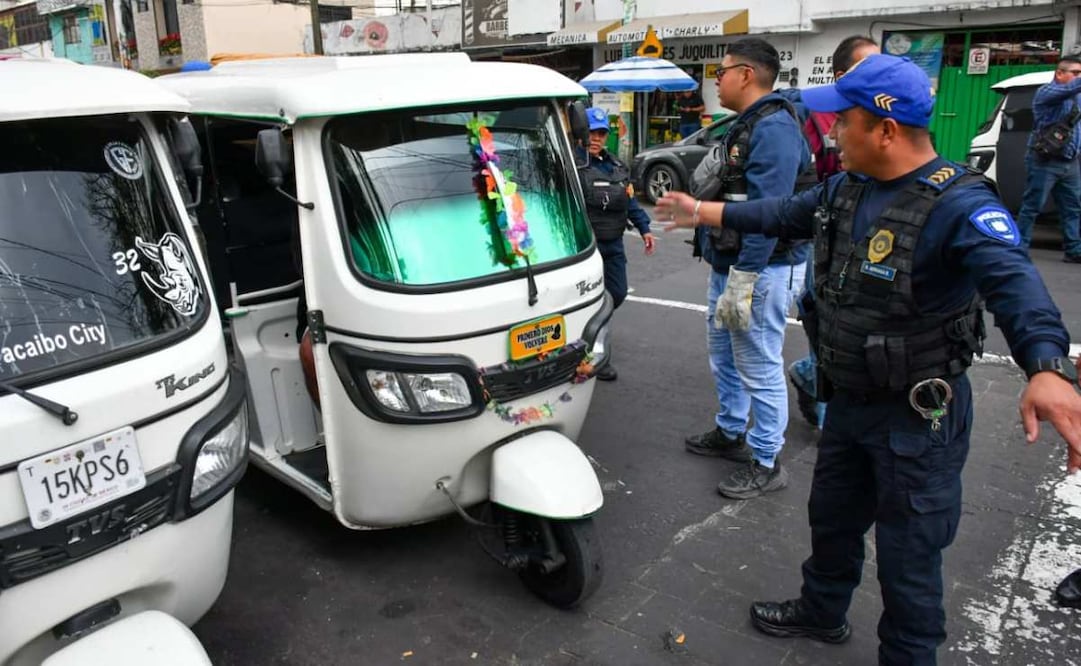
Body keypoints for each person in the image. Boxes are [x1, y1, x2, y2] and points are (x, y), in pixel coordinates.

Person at [656, 53, 1081, 665]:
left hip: (918, 421)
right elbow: (778, 212)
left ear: (884, 129)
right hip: (850, 402)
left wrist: (1045, 365)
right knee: (831, 520)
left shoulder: (959, 204)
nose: (830, 134)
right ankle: (822, 611)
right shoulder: (847, 187)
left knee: (909, 560)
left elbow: (1014, 283)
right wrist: (701, 211)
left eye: (842, 122)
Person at [681, 37, 811, 500]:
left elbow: (770, 213)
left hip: (760, 269)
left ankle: (765, 459)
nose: (717, 78)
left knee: (758, 363)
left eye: (723, 70)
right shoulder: (747, 123)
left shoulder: (773, 128)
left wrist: (745, 277)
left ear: (747, 74)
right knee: (726, 357)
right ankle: (731, 429)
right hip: (730, 265)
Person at [786, 35, 880, 430]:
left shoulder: (885, 114)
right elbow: (795, 189)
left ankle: (810, 375)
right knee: (824, 315)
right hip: (825, 231)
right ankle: (829, 414)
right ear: (841, 75)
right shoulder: (812, 114)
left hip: (873, 233)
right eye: (867, 66)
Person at [576, 106, 656, 381]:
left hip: (614, 244)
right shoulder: (572, 166)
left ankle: (590, 338)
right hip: (586, 248)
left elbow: (630, 201)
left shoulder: (617, 166)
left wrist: (645, 228)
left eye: (600, 133)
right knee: (593, 300)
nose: (595, 138)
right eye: (590, 132)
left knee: (615, 294)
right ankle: (597, 356)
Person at [1016, 55, 1081, 262]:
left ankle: (1074, 250)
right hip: (1045, 160)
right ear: (1060, 73)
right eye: (1076, 73)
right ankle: (1019, 249)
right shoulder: (1047, 92)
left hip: (1070, 161)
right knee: (1032, 206)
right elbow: (1068, 90)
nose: (1079, 77)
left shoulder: (1076, 96)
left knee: (1072, 208)